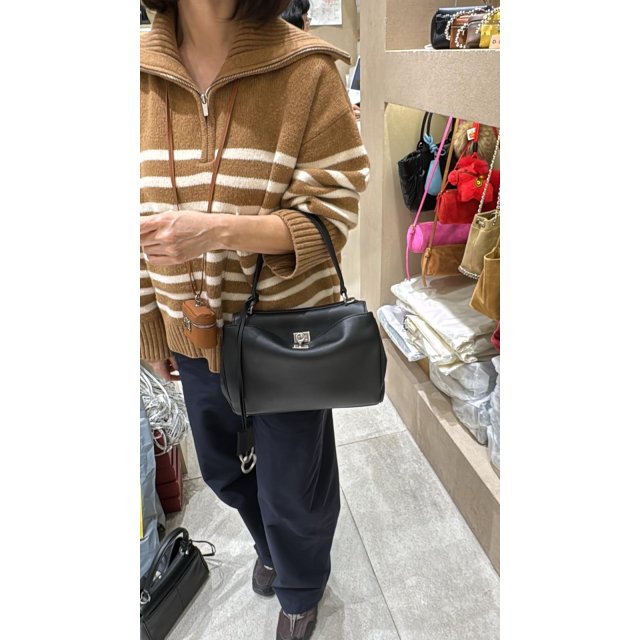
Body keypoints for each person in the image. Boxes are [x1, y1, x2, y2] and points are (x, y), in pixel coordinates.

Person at [139, 1, 369, 639]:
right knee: (221, 469)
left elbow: (332, 214)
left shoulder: (307, 69)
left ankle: (300, 587)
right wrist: (150, 327)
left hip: (287, 336)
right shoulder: (129, 77)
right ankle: (271, 546)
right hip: (191, 330)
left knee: (293, 481)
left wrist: (217, 231)